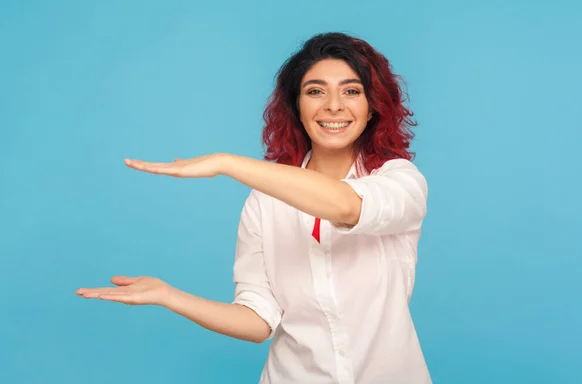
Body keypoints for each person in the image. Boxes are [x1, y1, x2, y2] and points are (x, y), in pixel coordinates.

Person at [76, 32, 432, 384]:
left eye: (351, 91)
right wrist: (169, 297)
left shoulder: (400, 181)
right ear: (297, 107)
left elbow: (346, 205)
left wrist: (227, 164)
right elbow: (258, 320)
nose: (334, 105)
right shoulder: (264, 202)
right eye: (315, 91)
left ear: (373, 107)